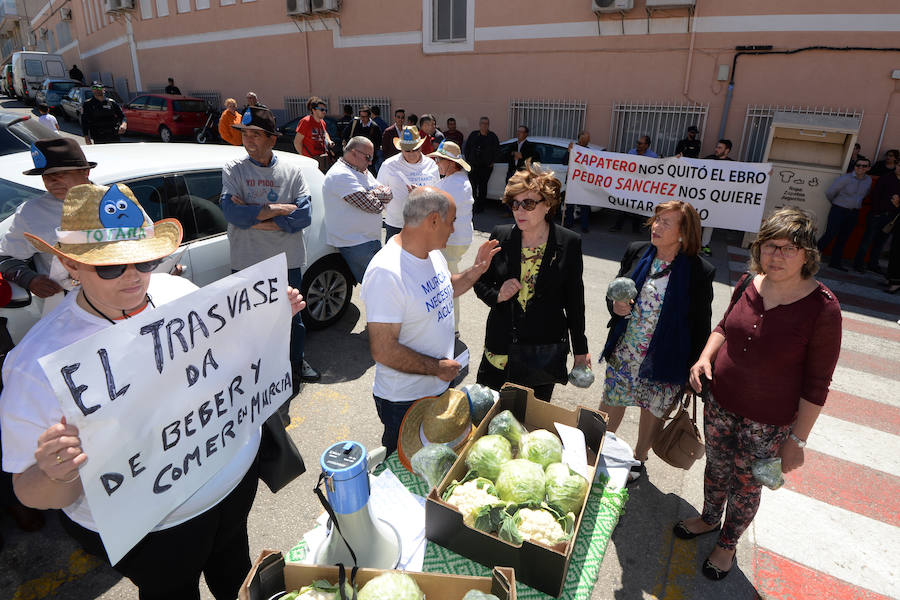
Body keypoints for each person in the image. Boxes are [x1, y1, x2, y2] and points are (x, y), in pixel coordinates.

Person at [0, 182, 306, 599]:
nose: (133, 277)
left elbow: (229, 362)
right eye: (109, 267)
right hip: (153, 530)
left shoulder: (180, 294)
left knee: (235, 570)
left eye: (146, 261)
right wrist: (56, 471)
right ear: (70, 265)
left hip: (233, 487)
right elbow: (30, 492)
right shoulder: (37, 364)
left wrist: (268, 320)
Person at [679, 207, 841, 581]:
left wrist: (797, 440)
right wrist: (704, 358)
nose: (777, 255)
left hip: (768, 423)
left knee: (747, 484)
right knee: (716, 468)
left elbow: (818, 383)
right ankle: (707, 518)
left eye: (789, 248)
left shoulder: (823, 308)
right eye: (770, 245)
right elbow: (723, 325)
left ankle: (728, 542)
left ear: (807, 255)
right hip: (720, 405)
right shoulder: (749, 283)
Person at [360, 187, 500, 454]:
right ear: (434, 220)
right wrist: (436, 367)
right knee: (405, 470)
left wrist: (476, 270)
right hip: (404, 401)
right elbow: (383, 349)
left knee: (433, 468)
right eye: (452, 221)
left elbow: (447, 288)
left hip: (436, 386)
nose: (454, 229)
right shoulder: (386, 272)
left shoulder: (432, 253)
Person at [599, 200, 714, 481]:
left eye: (666, 222)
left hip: (665, 356)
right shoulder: (637, 252)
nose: (657, 226)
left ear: (684, 233)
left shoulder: (699, 270)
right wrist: (615, 306)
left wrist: (694, 368)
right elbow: (615, 291)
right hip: (627, 349)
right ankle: (598, 447)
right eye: (657, 219)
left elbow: (701, 324)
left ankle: (638, 458)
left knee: (652, 409)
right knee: (612, 400)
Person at [220, 106, 320, 398]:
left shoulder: (292, 171)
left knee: (292, 319)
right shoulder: (233, 170)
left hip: (285, 262)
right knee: (250, 322)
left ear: (272, 140)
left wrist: (254, 217)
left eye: (255, 134)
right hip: (247, 262)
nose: (248, 140)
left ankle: (294, 366)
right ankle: (258, 377)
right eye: (245, 134)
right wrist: (280, 211)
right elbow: (232, 214)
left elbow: (303, 218)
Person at [473, 160, 589, 402]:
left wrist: (581, 349)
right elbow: (479, 281)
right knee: (486, 418)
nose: (519, 211)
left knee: (531, 426)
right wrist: (498, 294)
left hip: (542, 353)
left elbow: (575, 301)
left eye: (528, 203)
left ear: (547, 204)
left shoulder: (569, 242)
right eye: (514, 204)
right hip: (499, 349)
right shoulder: (500, 235)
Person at [0, 138, 96, 301]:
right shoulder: (31, 213)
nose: (52, 181)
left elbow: (148, 246)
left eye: (60, 174)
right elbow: (5, 257)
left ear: (85, 172)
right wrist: (29, 279)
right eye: (46, 175)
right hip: (69, 304)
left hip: (123, 299)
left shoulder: (117, 202)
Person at [322, 136, 393, 283]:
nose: (370, 162)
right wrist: (376, 197)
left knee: (380, 284)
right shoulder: (340, 175)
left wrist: (370, 195)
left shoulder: (362, 171)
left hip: (367, 240)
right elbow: (374, 206)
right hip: (355, 243)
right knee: (377, 285)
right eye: (367, 157)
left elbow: (388, 193)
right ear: (353, 152)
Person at [429, 140, 474, 331]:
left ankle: (452, 327)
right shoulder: (455, 179)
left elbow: (434, 205)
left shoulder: (455, 183)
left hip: (451, 241)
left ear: (451, 163)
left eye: (440, 159)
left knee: (448, 285)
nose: (437, 162)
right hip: (455, 239)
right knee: (446, 282)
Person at [377, 126, 440, 242]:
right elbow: (379, 192)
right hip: (396, 224)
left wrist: (421, 194)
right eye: (407, 150)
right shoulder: (389, 165)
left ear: (420, 147)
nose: (411, 154)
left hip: (423, 224)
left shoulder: (431, 165)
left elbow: (438, 194)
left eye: (415, 149)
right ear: (401, 149)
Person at [817, 157, 872, 270]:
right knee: (830, 234)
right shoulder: (845, 178)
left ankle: (835, 262)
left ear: (868, 168)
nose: (860, 168)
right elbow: (830, 192)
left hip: (854, 213)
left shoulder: (868, 181)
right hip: (839, 210)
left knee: (843, 238)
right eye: (858, 165)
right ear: (854, 166)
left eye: (864, 166)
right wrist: (837, 203)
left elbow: (865, 194)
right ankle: (808, 259)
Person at [853, 160, 900, 274]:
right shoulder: (886, 177)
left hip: (892, 218)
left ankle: (873, 264)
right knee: (867, 240)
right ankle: (858, 264)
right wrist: (877, 212)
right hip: (877, 215)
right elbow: (875, 195)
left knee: (880, 243)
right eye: (899, 165)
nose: (899, 168)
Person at [611, 135, 659, 232]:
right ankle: (618, 226)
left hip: (641, 186)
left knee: (637, 207)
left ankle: (636, 228)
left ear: (647, 145)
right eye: (637, 142)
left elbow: (658, 169)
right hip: (630, 185)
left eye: (640, 143)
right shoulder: (631, 152)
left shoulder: (653, 157)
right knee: (623, 205)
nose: (638, 145)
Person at [698, 139, 734, 257]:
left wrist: (765, 173)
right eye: (717, 147)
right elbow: (693, 165)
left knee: (710, 222)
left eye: (719, 148)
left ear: (727, 150)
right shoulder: (710, 158)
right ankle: (693, 244)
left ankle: (704, 245)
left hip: (716, 198)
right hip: (703, 195)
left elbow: (750, 174)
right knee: (697, 219)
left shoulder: (733, 164)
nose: (716, 149)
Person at [464, 117, 500, 213]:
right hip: (473, 166)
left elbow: (497, 150)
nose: (484, 125)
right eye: (483, 123)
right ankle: (473, 207)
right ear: (479, 124)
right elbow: (467, 148)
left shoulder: (492, 136)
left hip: (486, 167)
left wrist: (492, 162)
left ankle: (481, 207)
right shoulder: (473, 135)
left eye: (486, 123)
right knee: (473, 187)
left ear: (488, 125)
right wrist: (468, 160)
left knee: (483, 187)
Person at [293, 96, 335, 173]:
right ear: (313, 110)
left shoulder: (322, 122)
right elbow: (297, 142)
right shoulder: (306, 121)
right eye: (322, 110)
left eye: (325, 110)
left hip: (322, 160)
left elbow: (325, 133)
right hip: (310, 161)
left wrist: (329, 141)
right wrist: (305, 158)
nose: (324, 112)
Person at [564, 130, 592, 233]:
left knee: (585, 205)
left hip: (584, 181)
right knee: (570, 204)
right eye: (586, 140)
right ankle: (568, 223)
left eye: (588, 140)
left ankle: (584, 225)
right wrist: (569, 152)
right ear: (580, 139)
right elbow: (564, 161)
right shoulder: (572, 148)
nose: (587, 142)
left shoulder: (589, 151)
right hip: (572, 180)